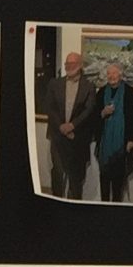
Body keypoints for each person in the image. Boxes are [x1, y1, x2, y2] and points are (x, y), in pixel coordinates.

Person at [46, 50, 94, 199]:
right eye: (67, 63)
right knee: (58, 172)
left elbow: (89, 109)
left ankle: (74, 206)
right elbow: (49, 106)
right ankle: (56, 202)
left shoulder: (89, 86)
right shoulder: (55, 83)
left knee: (76, 175)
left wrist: (72, 126)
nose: (68, 66)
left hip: (77, 138)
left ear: (80, 65)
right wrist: (61, 126)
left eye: (72, 63)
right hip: (58, 136)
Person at [93, 60, 133, 202]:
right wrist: (103, 113)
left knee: (118, 183)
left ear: (120, 74)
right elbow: (94, 117)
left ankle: (116, 209)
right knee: (104, 179)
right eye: (108, 73)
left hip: (122, 144)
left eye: (114, 73)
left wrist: (132, 140)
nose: (111, 76)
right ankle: (104, 207)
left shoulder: (129, 92)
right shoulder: (101, 92)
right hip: (104, 144)